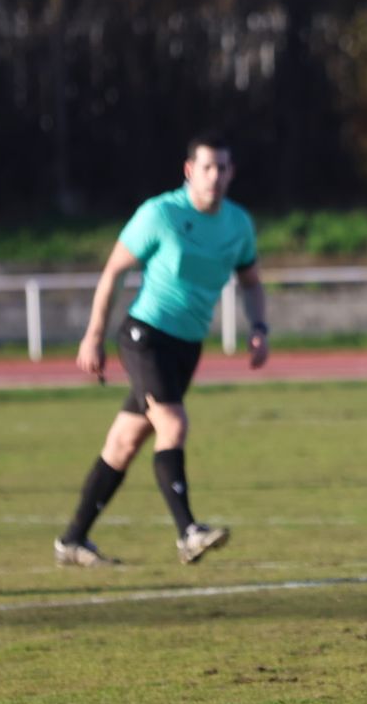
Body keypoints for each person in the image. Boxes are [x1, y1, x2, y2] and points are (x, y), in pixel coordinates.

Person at [53, 131, 268, 567]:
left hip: (187, 347)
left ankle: (72, 541)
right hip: (144, 335)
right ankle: (189, 532)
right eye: (206, 167)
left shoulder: (238, 224)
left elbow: (250, 280)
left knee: (124, 441)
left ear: (231, 173)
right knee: (172, 424)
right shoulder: (160, 214)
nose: (215, 176)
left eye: (222, 168)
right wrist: (93, 334)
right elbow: (113, 272)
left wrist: (259, 326)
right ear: (189, 170)